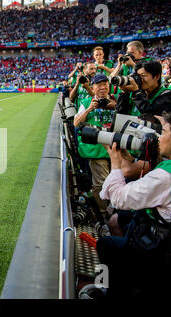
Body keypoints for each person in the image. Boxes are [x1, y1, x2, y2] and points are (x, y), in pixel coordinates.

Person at [97, 110, 171, 298]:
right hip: (168, 241)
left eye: (163, 132)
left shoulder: (166, 176)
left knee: (105, 244)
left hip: (164, 252)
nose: (158, 137)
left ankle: (109, 289)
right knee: (120, 221)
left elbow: (117, 198)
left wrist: (115, 162)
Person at [74, 74, 116, 223]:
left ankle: (114, 212)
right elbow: (76, 122)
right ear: (93, 88)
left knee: (117, 182)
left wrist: (116, 106)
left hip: (117, 150)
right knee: (101, 183)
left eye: (105, 84)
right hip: (97, 151)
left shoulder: (116, 101)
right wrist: (89, 109)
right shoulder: (86, 102)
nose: (103, 87)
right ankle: (105, 215)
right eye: (99, 85)